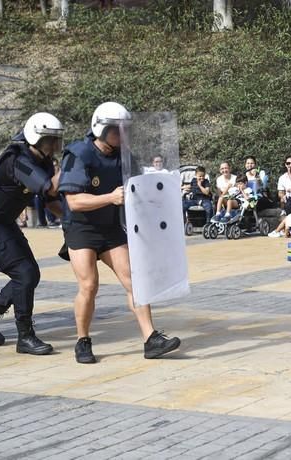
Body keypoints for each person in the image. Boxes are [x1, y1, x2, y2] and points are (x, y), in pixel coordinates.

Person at [58, 102, 181, 364]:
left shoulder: (124, 155)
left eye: (125, 129)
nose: (122, 134)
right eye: (117, 129)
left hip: (111, 227)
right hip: (81, 228)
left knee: (135, 281)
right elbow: (73, 202)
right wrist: (110, 197)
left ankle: (150, 338)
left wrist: (163, 194)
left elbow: (138, 187)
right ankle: (82, 340)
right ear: (101, 129)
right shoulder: (78, 154)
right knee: (89, 286)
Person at [0, 113, 64, 355]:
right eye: (49, 141)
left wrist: (70, 219)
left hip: (3, 222)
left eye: (55, 140)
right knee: (24, 274)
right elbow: (50, 186)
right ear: (35, 138)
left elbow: (49, 198)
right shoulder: (18, 160)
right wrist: (72, 164)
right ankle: (25, 336)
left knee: (30, 274)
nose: (53, 146)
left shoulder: (40, 160)